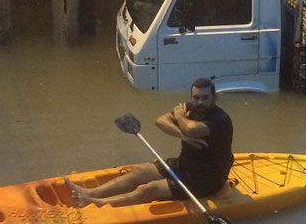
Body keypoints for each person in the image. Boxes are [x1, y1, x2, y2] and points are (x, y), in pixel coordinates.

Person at [64, 78, 234, 207]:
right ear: (191, 97)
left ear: (214, 98)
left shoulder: (220, 120)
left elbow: (191, 129)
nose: (200, 102)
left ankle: (97, 202)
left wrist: (180, 117)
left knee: (150, 189)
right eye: (196, 98)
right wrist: (181, 136)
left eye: (205, 98)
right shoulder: (191, 108)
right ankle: (91, 192)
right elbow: (161, 121)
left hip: (205, 179)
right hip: (184, 165)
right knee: (138, 172)